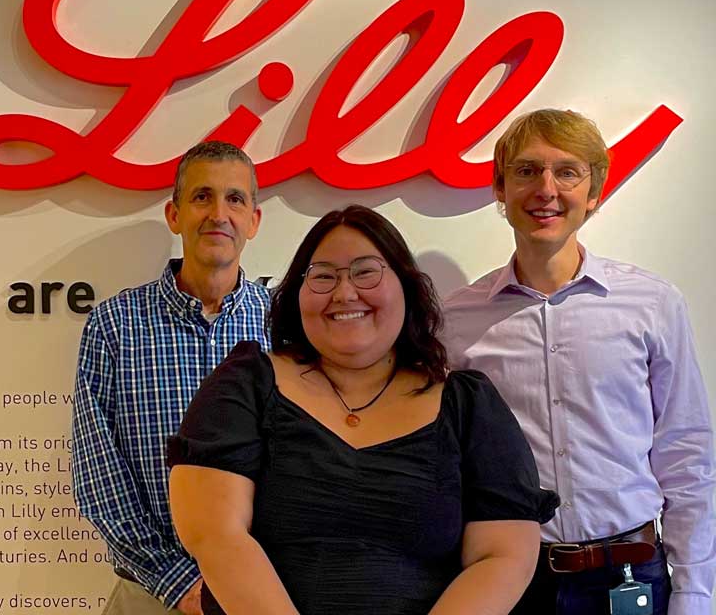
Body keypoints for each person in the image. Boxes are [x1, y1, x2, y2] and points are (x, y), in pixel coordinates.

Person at [167, 204, 557, 615]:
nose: (344, 292)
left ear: (405, 286)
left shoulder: (468, 406)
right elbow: (215, 535)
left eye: (366, 271)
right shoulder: (245, 386)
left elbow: (502, 556)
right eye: (322, 276)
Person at [442, 109, 716, 615]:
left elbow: (686, 455)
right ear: (500, 189)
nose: (546, 189)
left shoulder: (653, 304)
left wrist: (695, 593)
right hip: (510, 580)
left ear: (594, 192)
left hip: (632, 576)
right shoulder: (456, 318)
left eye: (567, 172)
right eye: (526, 171)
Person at [72, 141, 270, 615]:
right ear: (174, 214)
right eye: (202, 197)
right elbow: (98, 474)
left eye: (235, 199)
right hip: (149, 593)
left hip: (264, 591)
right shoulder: (115, 326)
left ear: (254, 222)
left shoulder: (285, 325)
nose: (219, 213)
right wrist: (179, 584)